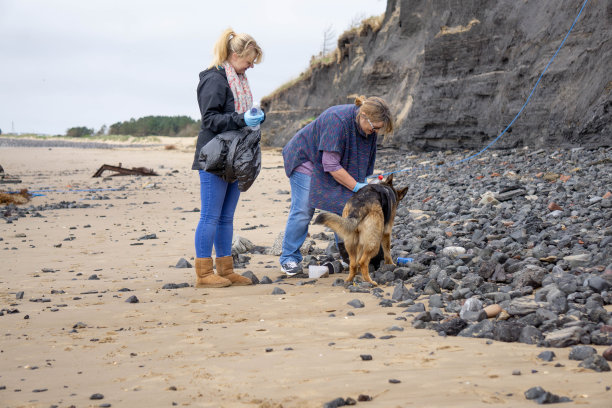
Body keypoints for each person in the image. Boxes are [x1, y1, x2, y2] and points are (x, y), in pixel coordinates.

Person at [279, 96, 394, 276]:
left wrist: (363, 184)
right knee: (304, 209)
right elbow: (331, 164)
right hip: (306, 159)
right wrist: (357, 186)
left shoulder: (368, 129)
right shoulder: (337, 121)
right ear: (364, 115)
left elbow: (357, 165)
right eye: (375, 127)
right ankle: (289, 258)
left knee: (346, 204)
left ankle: (347, 255)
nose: (376, 132)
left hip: (330, 163)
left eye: (379, 129)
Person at [191, 28, 265, 288]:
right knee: (210, 216)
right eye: (249, 61)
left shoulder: (239, 80)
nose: (251, 66)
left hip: (234, 157)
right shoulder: (214, 79)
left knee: (226, 217)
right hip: (213, 158)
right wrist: (241, 118)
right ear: (234, 55)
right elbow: (209, 119)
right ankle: (203, 274)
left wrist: (251, 118)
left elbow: (235, 116)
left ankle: (225, 269)